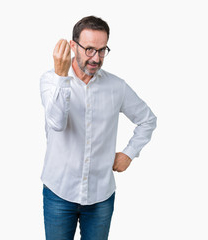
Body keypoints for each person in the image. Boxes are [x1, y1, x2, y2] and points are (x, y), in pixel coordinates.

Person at [40, 16, 157, 240]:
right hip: (58, 193)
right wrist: (62, 77)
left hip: (100, 196)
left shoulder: (117, 87)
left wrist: (129, 153)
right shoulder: (50, 80)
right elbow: (56, 123)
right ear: (73, 46)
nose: (96, 58)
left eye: (102, 50)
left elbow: (148, 119)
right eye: (90, 49)